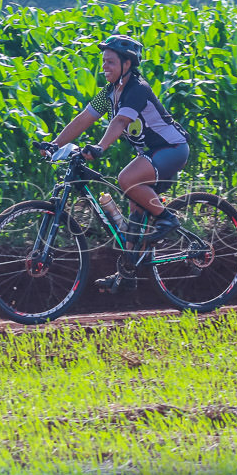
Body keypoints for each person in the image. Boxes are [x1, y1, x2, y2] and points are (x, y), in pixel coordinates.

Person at [49, 34, 190, 293]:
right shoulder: (110, 93)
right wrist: (54, 145)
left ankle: (168, 219)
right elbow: (83, 119)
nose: (105, 67)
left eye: (111, 62)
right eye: (103, 62)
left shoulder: (137, 89)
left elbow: (120, 122)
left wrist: (100, 148)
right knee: (135, 217)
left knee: (126, 179)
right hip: (151, 153)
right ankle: (127, 274)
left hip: (171, 149)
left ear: (128, 63)